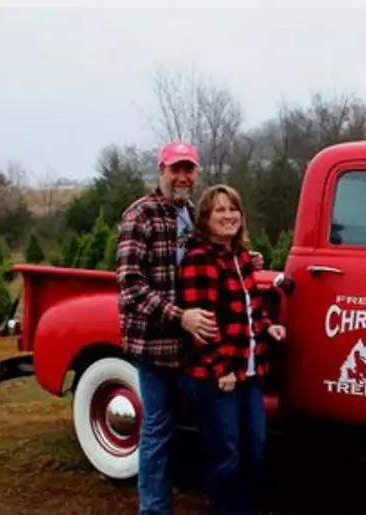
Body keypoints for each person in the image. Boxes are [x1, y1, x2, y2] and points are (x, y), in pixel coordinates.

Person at [116, 142, 262, 515]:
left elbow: (213, 251)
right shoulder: (141, 215)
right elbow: (131, 285)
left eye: (189, 170)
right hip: (156, 345)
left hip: (194, 347)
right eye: (174, 169)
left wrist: (243, 256)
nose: (182, 177)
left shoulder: (192, 213)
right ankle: (154, 508)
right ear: (161, 170)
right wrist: (178, 315)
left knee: (216, 435)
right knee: (158, 431)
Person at [177, 184, 286, 515]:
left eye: (233, 209)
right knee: (227, 453)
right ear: (205, 219)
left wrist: (268, 326)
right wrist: (220, 368)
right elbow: (203, 324)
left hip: (249, 372)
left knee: (256, 447)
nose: (228, 216)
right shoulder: (200, 259)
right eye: (219, 210)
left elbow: (252, 305)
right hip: (218, 375)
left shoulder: (240, 256)